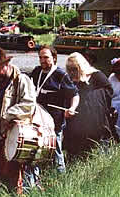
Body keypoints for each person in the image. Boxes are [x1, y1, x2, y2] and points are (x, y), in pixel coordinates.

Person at [0, 48, 37, 195]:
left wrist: (7, 116)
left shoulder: (22, 80)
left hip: (13, 137)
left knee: (12, 175)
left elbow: (29, 104)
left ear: (5, 65)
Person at [30, 45, 79, 173]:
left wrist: (72, 108)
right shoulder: (36, 72)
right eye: (40, 57)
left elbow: (75, 95)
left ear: (54, 58)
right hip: (37, 120)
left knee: (56, 150)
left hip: (54, 122)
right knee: (36, 151)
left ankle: (61, 177)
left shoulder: (61, 75)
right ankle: (36, 179)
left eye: (46, 57)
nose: (42, 61)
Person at [63, 52, 114, 158]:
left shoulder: (97, 75)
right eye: (70, 69)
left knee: (93, 146)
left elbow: (109, 92)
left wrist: (91, 99)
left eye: (74, 69)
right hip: (76, 118)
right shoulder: (70, 79)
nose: (72, 72)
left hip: (94, 118)